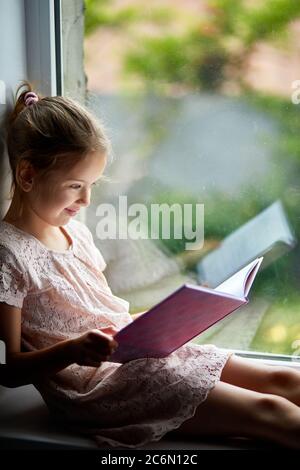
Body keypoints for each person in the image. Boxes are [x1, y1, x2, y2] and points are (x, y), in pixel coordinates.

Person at [0, 82, 300, 450]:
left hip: (134, 359)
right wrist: (74, 349)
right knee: (271, 411)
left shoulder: (76, 234)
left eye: (92, 184)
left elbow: (97, 313)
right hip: (97, 387)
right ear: (28, 175)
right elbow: (11, 369)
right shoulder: (8, 253)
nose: (87, 198)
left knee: (286, 383)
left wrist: (165, 319)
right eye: (76, 185)